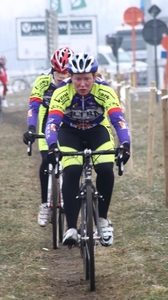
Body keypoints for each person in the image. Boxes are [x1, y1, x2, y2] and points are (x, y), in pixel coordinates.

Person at [45, 52, 131, 247]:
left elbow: (118, 120)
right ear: (70, 78)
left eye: (86, 79)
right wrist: (51, 147)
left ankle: (102, 220)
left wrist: (125, 144)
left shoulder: (104, 91)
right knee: (72, 170)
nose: (82, 84)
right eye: (77, 79)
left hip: (97, 131)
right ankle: (72, 228)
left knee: (106, 169)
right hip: (70, 133)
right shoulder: (61, 91)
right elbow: (52, 122)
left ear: (95, 77)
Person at [23, 46, 74, 227]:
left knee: (71, 165)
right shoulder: (43, 81)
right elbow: (34, 106)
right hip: (47, 124)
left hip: (67, 123)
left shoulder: (74, 83)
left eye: (65, 72)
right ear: (52, 68)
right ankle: (45, 204)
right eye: (57, 71)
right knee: (47, 161)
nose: (61, 75)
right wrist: (30, 127)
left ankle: (69, 197)